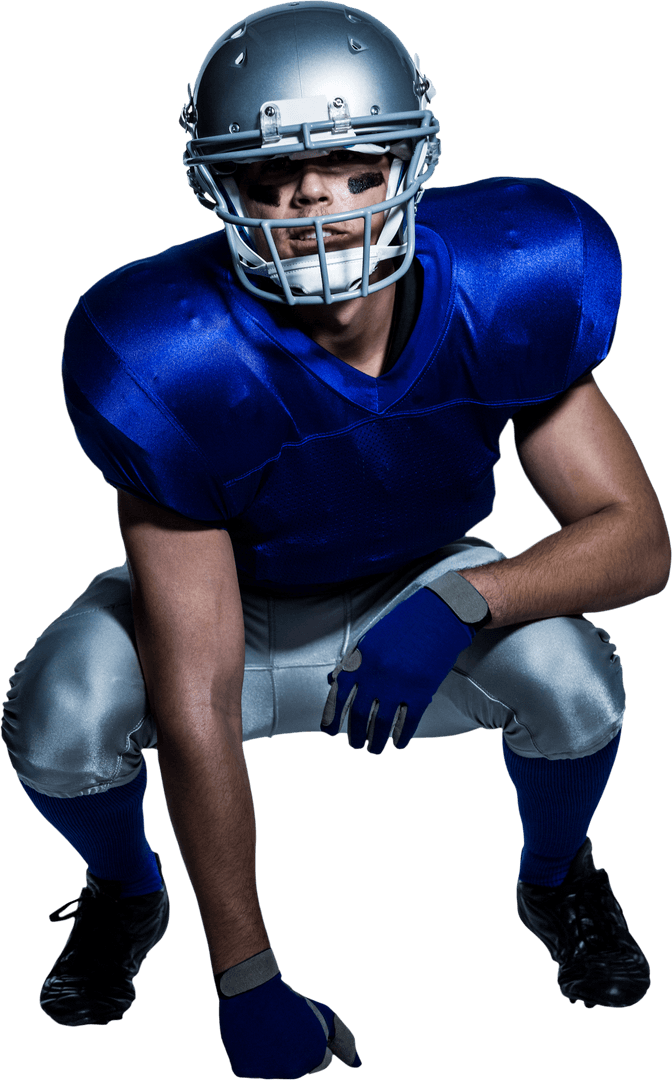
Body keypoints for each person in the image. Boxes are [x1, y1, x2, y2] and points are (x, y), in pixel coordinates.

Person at [2, 2, 669, 1077]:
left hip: (422, 583)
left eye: (352, 165)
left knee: (578, 684)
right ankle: (127, 892)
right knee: (57, 716)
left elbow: (636, 539)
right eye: (276, 173)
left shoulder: (513, 277)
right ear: (224, 188)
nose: (315, 197)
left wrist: (464, 600)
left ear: (409, 162)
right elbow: (197, 696)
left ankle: (557, 879)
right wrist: (248, 978)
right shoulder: (166, 352)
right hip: (233, 607)